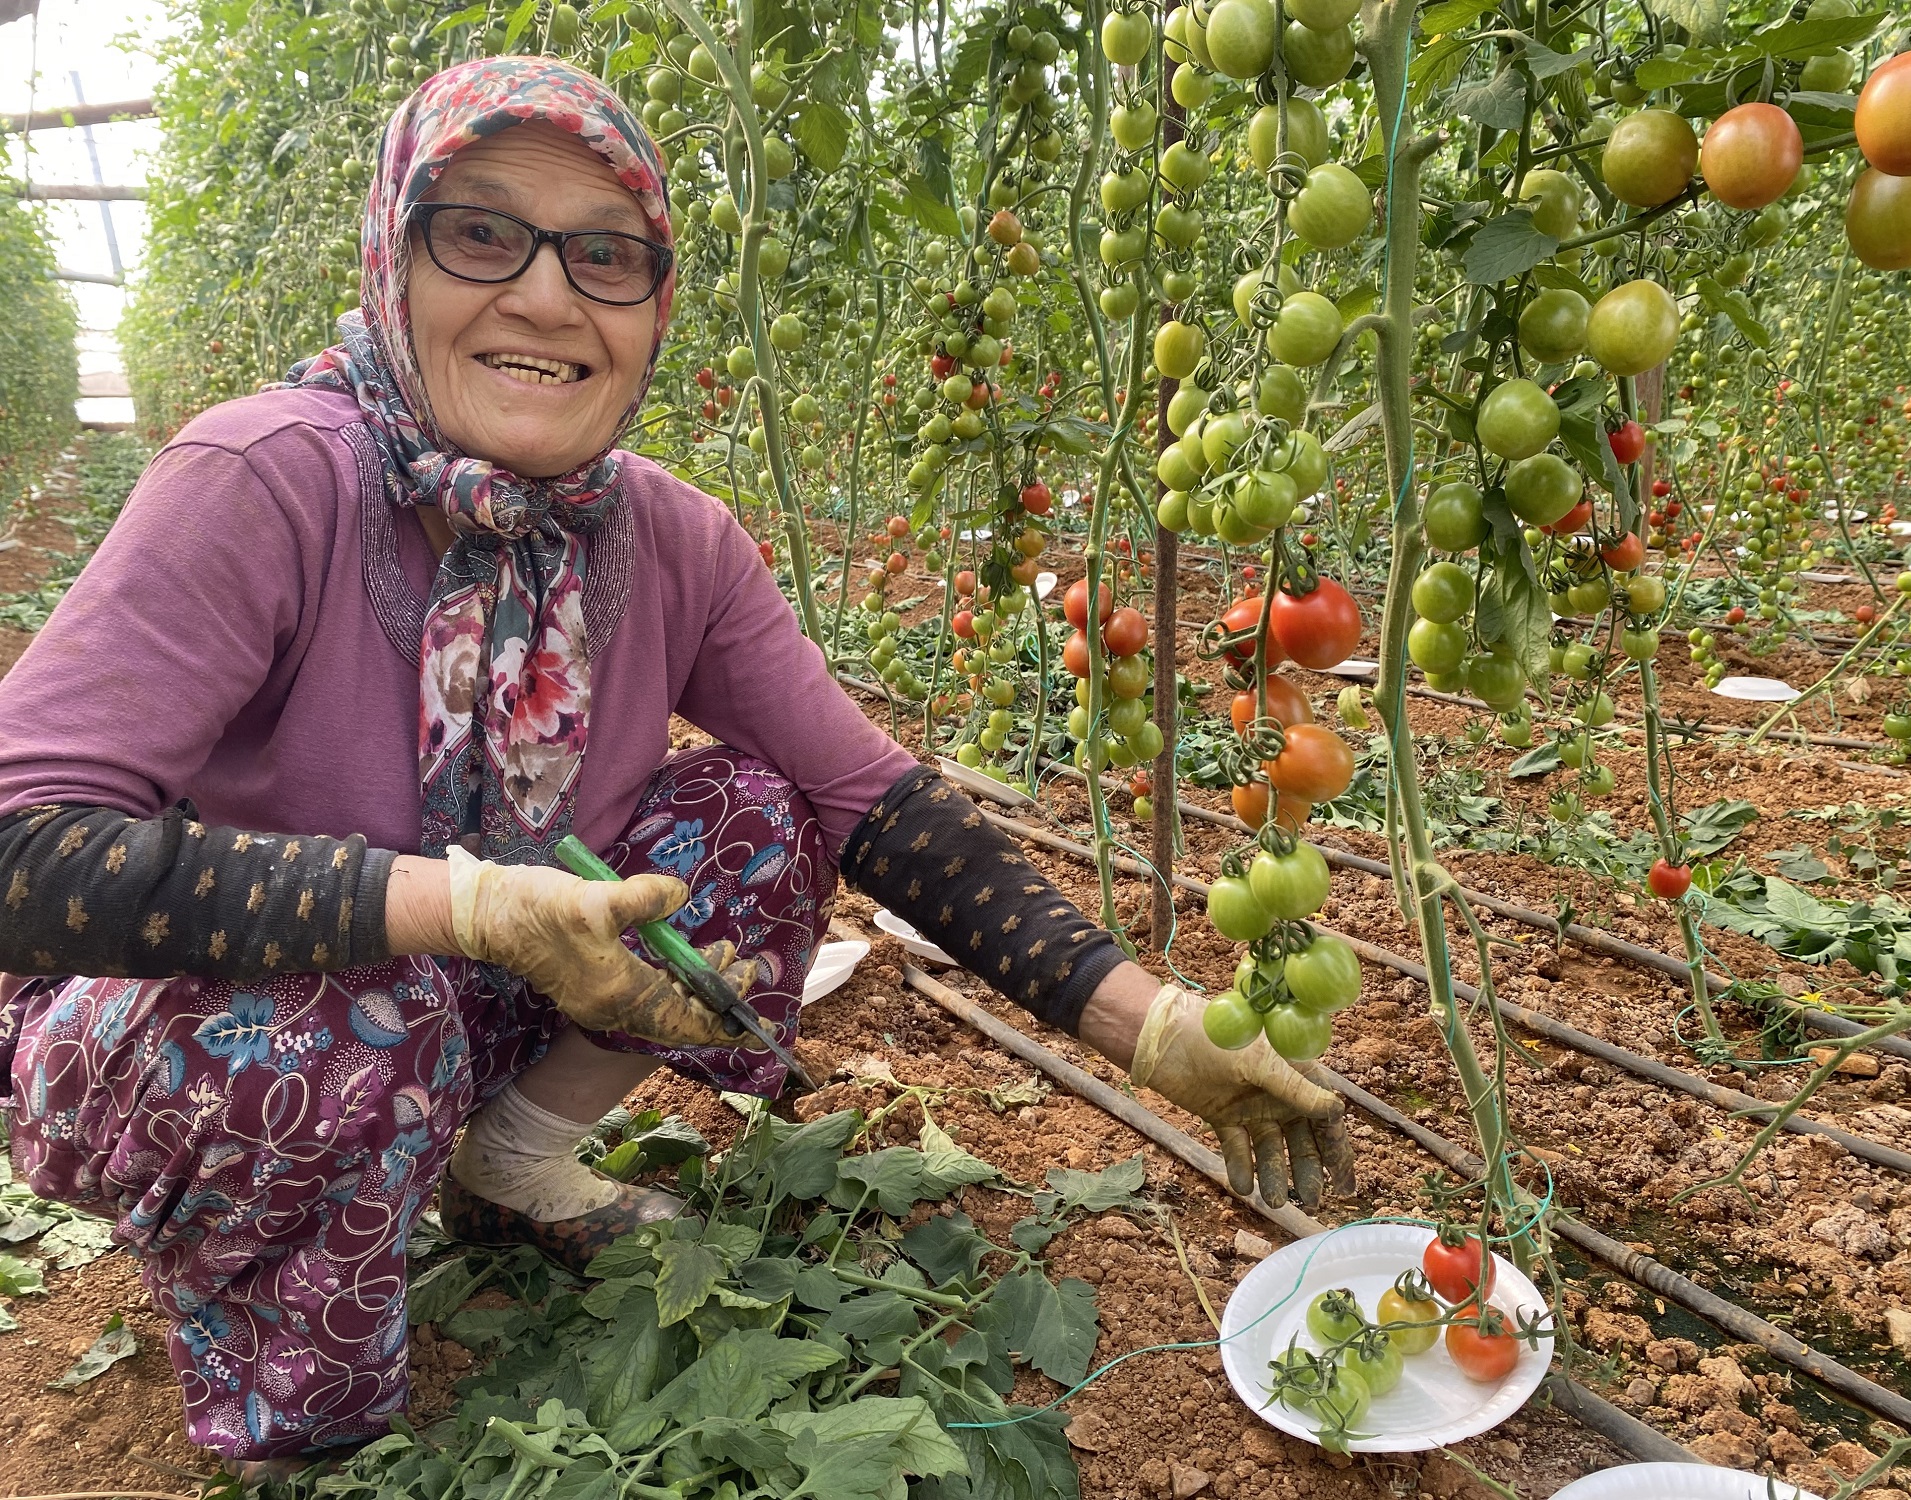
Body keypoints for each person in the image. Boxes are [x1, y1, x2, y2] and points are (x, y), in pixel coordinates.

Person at [0, 55, 1351, 1480]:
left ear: (654, 306)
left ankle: (505, 1162)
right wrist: (455, 909)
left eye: (605, 255)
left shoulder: (669, 537)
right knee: (358, 1016)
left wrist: (1156, 1033)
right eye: (478, 233)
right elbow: (19, 850)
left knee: (757, 820)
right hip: (196, 1039)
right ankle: (292, 1389)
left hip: (475, 997)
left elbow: (869, 804)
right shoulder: (266, 481)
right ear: (392, 257)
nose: (542, 296)